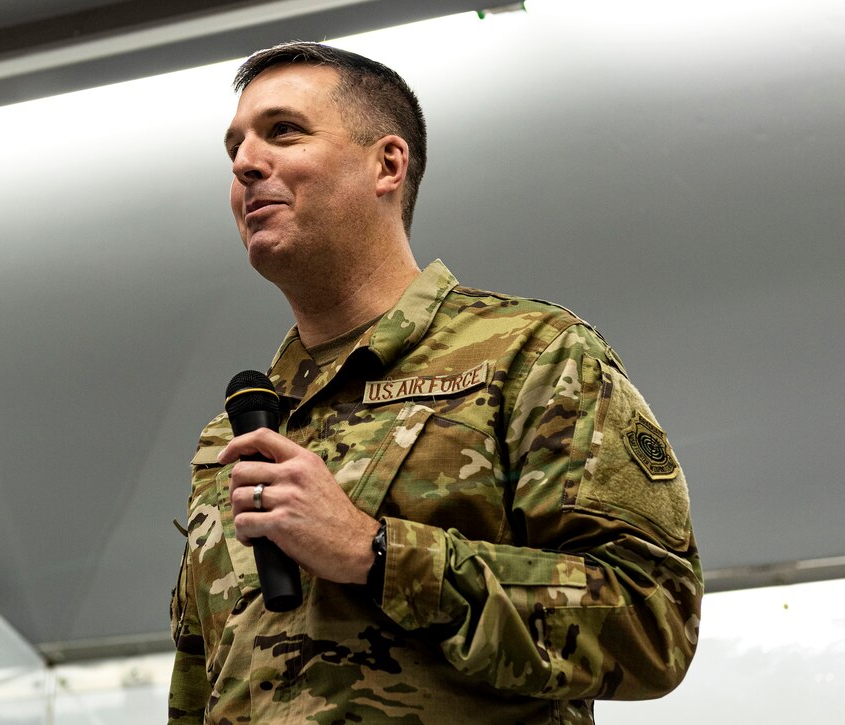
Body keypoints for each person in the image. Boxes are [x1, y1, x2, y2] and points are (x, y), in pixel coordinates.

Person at [169, 42, 701, 724]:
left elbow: (655, 621)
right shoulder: (235, 436)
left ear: (387, 164)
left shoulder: (532, 355)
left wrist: (377, 552)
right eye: (234, 147)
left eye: (283, 132)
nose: (245, 163)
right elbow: (196, 689)